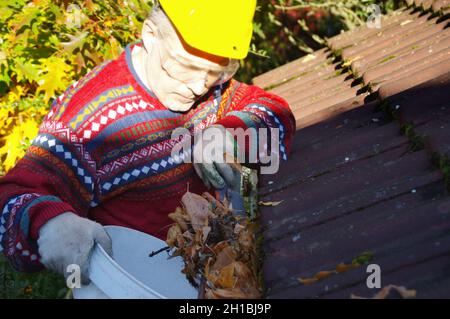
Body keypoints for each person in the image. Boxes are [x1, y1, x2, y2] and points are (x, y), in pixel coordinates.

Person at [0, 0, 295, 284]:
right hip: (130, 282)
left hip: (214, 268)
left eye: (215, 73)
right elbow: (14, 194)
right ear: (150, 36)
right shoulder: (89, 119)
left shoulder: (212, 91)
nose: (196, 87)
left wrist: (232, 131)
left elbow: (274, 111)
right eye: (184, 67)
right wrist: (50, 222)